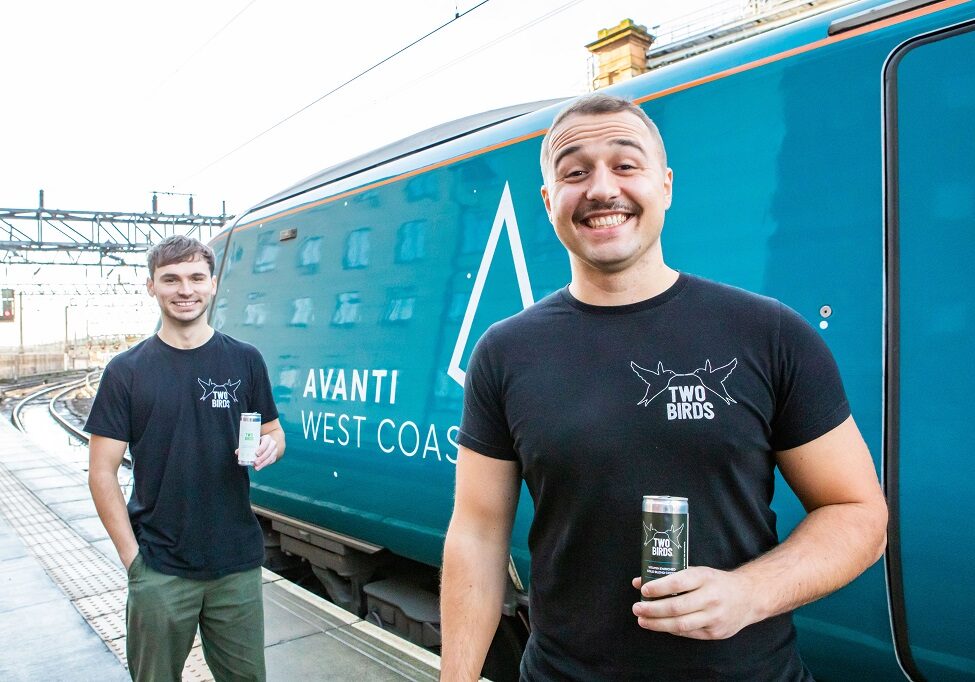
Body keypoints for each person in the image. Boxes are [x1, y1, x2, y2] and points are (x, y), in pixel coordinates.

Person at [439, 93, 887, 681]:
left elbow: (857, 513)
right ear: (550, 202)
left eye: (626, 165)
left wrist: (751, 592)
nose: (602, 189)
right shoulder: (505, 352)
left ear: (666, 186)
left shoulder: (768, 333)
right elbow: (477, 531)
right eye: (575, 172)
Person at [87, 234, 285, 682]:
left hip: (236, 564)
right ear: (151, 287)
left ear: (213, 285)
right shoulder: (127, 370)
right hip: (160, 565)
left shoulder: (245, 360)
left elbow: (273, 432)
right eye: (171, 279)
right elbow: (101, 474)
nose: (185, 289)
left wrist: (272, 445)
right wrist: (134, 562)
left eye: (196, 277)